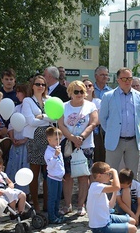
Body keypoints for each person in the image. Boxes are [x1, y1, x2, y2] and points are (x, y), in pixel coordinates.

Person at [57, 80, 98, 216]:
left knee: (83, 175)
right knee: (67, 175)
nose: (80, 94)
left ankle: (81, 205)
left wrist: (81, 137)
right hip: (68, 145)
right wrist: (72, 138)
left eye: (82, 91)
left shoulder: (91, 105)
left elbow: (93, 123)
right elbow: (61, 125)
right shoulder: (63, 106)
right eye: (76, 91)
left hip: (85, 145)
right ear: (70, 93)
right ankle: (68, 204)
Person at [98, 68, 140, 176]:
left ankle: (129, 193)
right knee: (110, 173)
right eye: (124, 79)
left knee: (132, 175)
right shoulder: (108, 96)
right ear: (118, 80)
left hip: (133, 141)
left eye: (129, 78)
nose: (127, 81)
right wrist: (112, 131)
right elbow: (103, 119)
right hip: (115, 141)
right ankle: (111, 193)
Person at [21, 74, 51, 211]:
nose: (41, 87)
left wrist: (43, 116)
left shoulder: (49, 100)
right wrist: (47, 119)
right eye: (38, 84)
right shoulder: (27, 101)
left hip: (49, 140)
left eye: (43, 84)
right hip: (35, 140)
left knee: (48, 173)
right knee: (35, 172)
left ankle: (46, 204)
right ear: (32, 86)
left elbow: (55, 118)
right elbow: (30, 121)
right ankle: (36, 204)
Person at [87, 162, 137, 233]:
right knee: (133, 229)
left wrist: (114, 191)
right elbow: (117, 187)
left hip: (107, 218)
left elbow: (110, 206)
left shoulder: (100, 187)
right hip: (101, 227)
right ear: (99, 176)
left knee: (132, 221)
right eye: (108, 174)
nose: (110, 176)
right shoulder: (95, 186)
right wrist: (115, 172)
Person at [44, 126, 66, 224]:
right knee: (52, 198)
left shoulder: (57, 149)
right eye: (56, 139)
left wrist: (62, 174)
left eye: (60, 139)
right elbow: (51, 164)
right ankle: (51, 217)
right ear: (49, 139)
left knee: (58, 197)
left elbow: (61, 163)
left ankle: (56, 214)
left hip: (59, 178)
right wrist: (55, 155)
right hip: (52, 178)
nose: (59, 141)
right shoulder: (48, 152)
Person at [91, 66, 112, 164]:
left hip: (107, 129)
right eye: (102, 75)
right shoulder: (89, 89)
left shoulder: (112, 92)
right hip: (93, 129)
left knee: (105, 156)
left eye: (106, 75)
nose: (105, 77)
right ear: (96, 76)